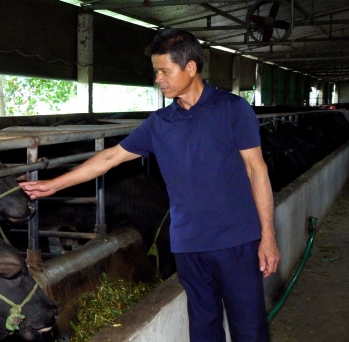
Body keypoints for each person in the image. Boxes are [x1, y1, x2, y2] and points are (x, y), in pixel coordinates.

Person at [19, 29, 280, 342]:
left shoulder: (233, 110)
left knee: (249, 329)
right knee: (203, 328)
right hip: (189, 246)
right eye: (156, 71)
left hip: (237, 242)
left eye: (164, 71)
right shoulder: (159, 124)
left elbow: (257, 170)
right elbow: (110, 157)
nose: (158, 79)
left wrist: (268, 236)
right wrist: (55, 185)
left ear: (191, 68)